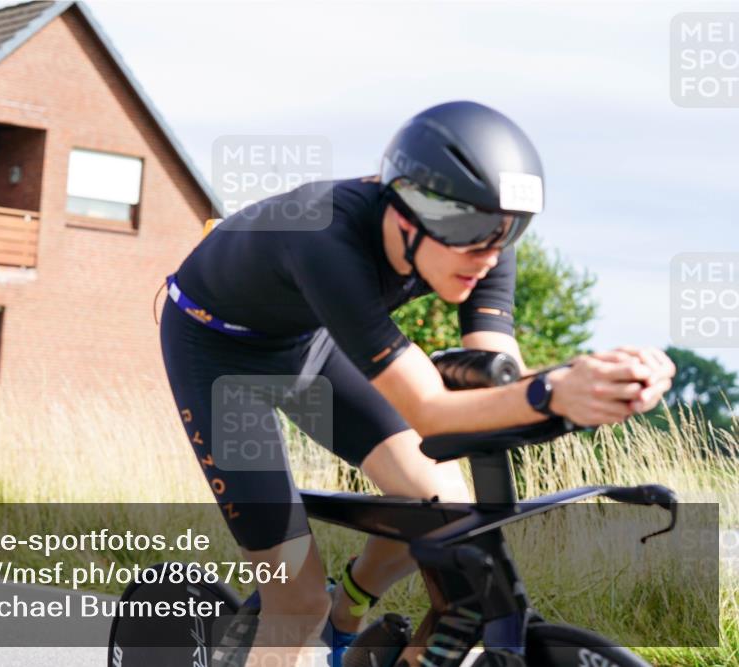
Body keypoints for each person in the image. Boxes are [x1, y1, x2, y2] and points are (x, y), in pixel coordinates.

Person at [158, 100, 675, 667]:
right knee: (297, 602)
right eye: (472, 235)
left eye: (509, 233)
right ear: (407, 214)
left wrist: (595, 383)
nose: (488, 256)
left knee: (444, 509)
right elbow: (430, 409)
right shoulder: (326, 238)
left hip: (309, 340)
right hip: (218, 355)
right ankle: (313, 616)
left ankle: (347, 611)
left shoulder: (486, 245)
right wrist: (552, 393)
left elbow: (495, 379)